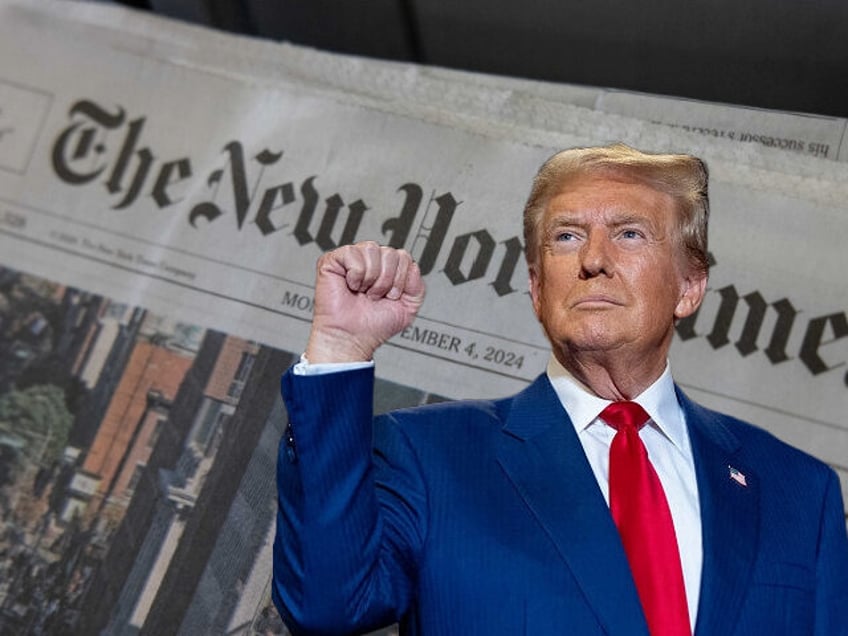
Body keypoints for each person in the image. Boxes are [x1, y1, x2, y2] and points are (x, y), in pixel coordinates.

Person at [272, 144, 848, 635]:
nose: (595, 260)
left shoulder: (798, 492)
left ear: (689, 287)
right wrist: (341, 351)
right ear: (536, 286)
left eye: (629, 233)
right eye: (567, 237)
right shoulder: (429, 456)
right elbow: (326, 605)